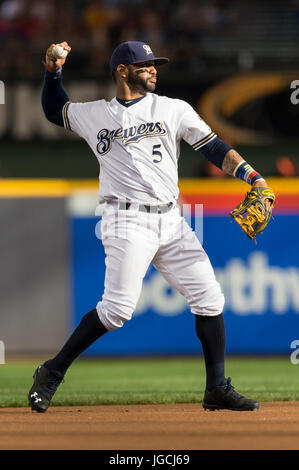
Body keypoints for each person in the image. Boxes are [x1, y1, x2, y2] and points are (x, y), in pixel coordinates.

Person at [28, 40, 270, 413]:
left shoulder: (173, 109)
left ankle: (217, 388)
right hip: (125, 219)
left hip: (171, 219)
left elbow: (214, 147)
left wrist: (253, 177)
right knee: (116, 311)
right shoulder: (95, 114)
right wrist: (53, 71)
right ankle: (51, 372)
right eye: (146, 64)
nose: (154, 69)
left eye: (156, 63)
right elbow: (53, 109)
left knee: (210, 298)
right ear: (122, 71)